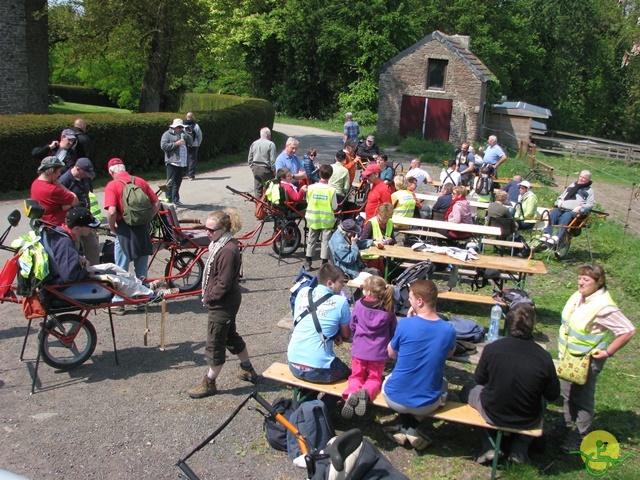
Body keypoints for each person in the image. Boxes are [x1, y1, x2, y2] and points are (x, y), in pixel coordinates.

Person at [461, 304, 560, 464]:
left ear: (507, 324)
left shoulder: (492, 349)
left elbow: (479, 380)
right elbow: (553, 394)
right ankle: (519, 449)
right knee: (542, 403)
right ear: (533, 326)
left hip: (492, 411)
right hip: (527, 417)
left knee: (467, 390)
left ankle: (489, 445)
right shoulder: (543, 357)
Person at [556, 264, 635, 452]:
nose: (581, 282)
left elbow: (628, 331)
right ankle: (564, 427)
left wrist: (608, 352)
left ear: (598, 283)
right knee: (567, 394)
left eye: (586, 279)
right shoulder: (578, 296)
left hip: (587, 360)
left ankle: (579, 435)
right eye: (580, 278)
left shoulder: (603, 306)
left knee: (583, 399)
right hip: (569, 357)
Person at [188, 210, 259, 398]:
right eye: (205, 228)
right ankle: (247, 369)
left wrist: (209, 297)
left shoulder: (227, 250)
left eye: (211, 229)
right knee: (229, 336)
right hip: (226, 300)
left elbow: (223, 283)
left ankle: (209, 382)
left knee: (215, 342)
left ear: (223, 229)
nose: (207, 232)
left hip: (223, 303)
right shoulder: (219, 245)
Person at [382, 280, 456, 451]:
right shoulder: (448, 330)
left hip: (394, 398)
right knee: (443, 385)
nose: (409, 300)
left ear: (420, 301)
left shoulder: (405, 324)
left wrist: (409, 323)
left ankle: (405, 428)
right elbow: (449, 354)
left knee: (391, 378)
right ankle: (411, 428)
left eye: (411, 297)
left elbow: (391, 353)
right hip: (427, 403)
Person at [44, 207, 166, 299]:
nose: (91, 229)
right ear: (77, 228)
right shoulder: (64, 243)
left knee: (111, 266)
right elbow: (69, 276)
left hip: (73, 275)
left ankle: (142, 285)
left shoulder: (63, 233)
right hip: (67, 287)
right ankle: (151, 295)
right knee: (113, 279)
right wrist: (86, 271)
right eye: (88, 226)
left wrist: (79, 258)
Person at [341, 276, 397, 419]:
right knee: (374, 379)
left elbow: (353, 324)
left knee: (356, 376)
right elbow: (393, 330)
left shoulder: (359, 305)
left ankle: (351, 393)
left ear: (370, 292)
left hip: (359, 350)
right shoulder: (388, 309)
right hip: (378, 353)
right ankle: (366, 393)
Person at [287, 263, 351, 383]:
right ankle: (327, 402)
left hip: (293, 363)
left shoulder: (303, 292)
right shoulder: (341, 302)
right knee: (350, 375)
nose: (343, 285)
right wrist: (336, 333)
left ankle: (310, 401)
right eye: (341, 282)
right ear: (330, 283)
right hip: (319, 368)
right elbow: (346, 334)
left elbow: (299, 321)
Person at [103, 158, 159, 281]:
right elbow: (156, 203)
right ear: (124, 169)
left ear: (111, 172)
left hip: (124, 231)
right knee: (142, 271)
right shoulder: (140, 181)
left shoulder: (112, 185)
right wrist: (148, 218)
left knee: (121, 270)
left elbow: (112, 212)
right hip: (143, 230)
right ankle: (144, 296)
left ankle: (121, 298)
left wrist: (112, 227)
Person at [58, 157, 100, 265]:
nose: (86, 175)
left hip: (86, 219)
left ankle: (95, 270)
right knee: (74, 248)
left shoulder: (85, 179)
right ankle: (76, 272)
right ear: (77, 168)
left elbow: (88, 195)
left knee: (93, 246)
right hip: (74, 222)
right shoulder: (64, 181)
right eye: (85, 172)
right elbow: (62, 205)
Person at [539, 170, 595, 246]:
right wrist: (560, 200)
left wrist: (581, 206)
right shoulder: (572, 185)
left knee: (567, 215)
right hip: (562, 207)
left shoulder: (589, 191)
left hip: (574, 211)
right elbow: (562, 195)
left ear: (588, 180)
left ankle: (558, 236)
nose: (581, 179)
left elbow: (591, 204)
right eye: (581, 177)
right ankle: (547, 234)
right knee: (554, 212)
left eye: (584, 178)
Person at [305, 164, 337, 270]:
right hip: (326, 220)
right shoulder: (331, 190)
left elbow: (308, 201)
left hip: (313, 218)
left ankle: (308, 260)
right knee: (325, 241)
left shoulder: (310, 188)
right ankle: (324, 263)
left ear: (319, 174)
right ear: (330, 175)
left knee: (311, 239)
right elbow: (334, 206)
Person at [30, 156, 79, 226]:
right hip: (57, 227)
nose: (60, 174)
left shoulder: (35, 183)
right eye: (58, 171)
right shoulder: (52, 189)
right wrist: (59, 184)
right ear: (51, 171)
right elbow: (75, 200)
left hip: (44, 224)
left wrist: (67, 205)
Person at [161, 118, 192, 205]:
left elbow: (191, 142)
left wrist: (187, 137)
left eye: (182, 127)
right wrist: (176, 144)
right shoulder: (167, 134)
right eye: (179, 127)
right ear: (174, 127)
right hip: (172, 162)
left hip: (182, 162)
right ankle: (168, 200)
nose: (181, 129)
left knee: (177, 182)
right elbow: (163, 146)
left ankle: (176, 200)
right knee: (170, 183)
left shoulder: (183, 133)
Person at [360, 203, 396, 273]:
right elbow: (362, 241)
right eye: (383, 219)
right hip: (371, 258)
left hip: (385, 256)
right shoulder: (371, 223)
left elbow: (394, 241)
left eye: (387, 219)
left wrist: (391, 240)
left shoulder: (390, 223)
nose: (385, 221)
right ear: (378, 215)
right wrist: (375, 240)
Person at [248, 127, 276, 198]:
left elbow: (250, 158)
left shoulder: (254, 143)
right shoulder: (271, 144)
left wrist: (252, 167)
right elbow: (272, 160)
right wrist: (274, 170)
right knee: (270, 188)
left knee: (258, 189)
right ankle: (268, 206)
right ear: (268, 135)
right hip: (266, 169)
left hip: (255, 168)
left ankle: (258, 207)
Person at [184, 112, 203, 181]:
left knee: (184, 158)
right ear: (193, 118)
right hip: (194, 145)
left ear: (186, 117)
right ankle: (191, 175)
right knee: (192, 160)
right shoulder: (196, 126)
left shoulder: (182, 125)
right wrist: (198, 144)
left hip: (184, 144)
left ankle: (182, 173)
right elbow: (200, 136)